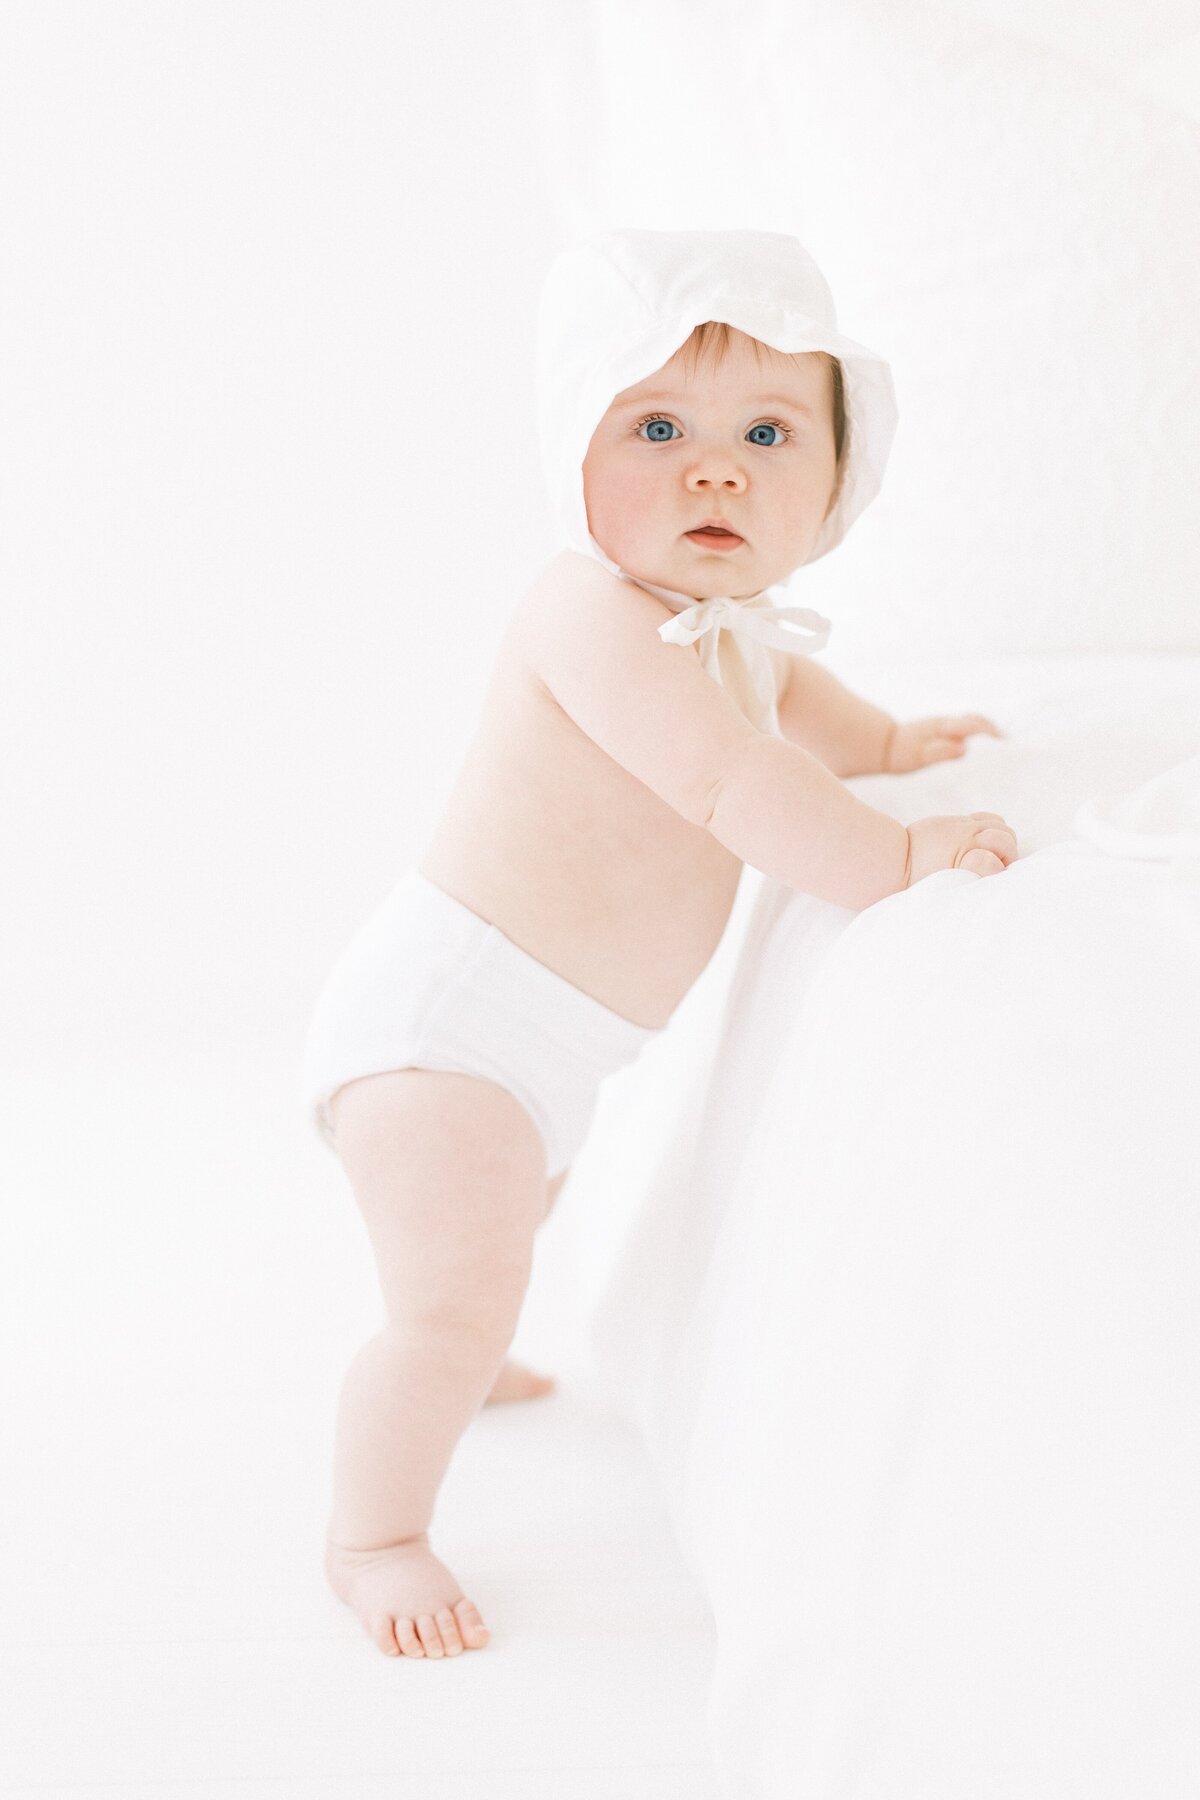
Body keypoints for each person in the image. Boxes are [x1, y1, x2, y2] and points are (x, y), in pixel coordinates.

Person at [301, 227, 1019, 1661]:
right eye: (658, 428)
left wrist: (878, 741)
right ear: (574, 450)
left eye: (766, 432)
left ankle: (468, 1333)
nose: (715, 468)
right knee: (441, 1310)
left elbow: (785, 695)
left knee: (495, 1240)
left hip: (545, 1050)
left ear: (833, 482)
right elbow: (727, 779)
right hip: (451, 1035)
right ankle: (373, 1534)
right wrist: (887, 859)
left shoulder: (727, 627)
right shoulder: (591, 613)